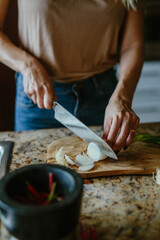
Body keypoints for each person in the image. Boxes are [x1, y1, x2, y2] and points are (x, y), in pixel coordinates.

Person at [0, 0, 145, 152]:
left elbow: (132, 45)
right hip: (39, 98)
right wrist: (27, 65)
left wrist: (122, 97)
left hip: (105, 99)